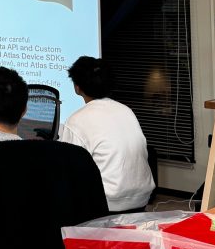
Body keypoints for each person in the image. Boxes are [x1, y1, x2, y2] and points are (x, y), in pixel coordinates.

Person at [60, 56, 155, 212]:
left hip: (107, 202)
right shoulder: (126, 111)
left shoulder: (76, 120)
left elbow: (68, 169)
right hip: (142, 198)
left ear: (77, 87)